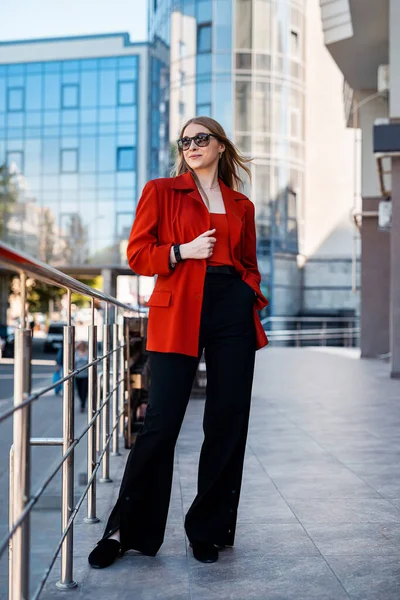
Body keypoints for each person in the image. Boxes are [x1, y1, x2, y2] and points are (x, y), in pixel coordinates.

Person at [88, 116, 269, 569]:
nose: (191, 145)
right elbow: (137, 253)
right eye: (185, 140)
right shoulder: (161, 191)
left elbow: (248, 260)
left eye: (200, 138)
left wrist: (247, 289)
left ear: (221, 146)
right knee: (161, 424)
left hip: (230, 307)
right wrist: (180, 252)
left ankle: (208, 529)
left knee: (227, 422)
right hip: (178, 306)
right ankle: (126, 531)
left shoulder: (241, 205)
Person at [74, 341, 89, 413]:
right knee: (79, 391)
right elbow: (73, 363)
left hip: (86, 375)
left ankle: (83, 404)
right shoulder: (76, 353)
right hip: (78, 375)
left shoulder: (88, 353)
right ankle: (81, 402)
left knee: (84, 391)